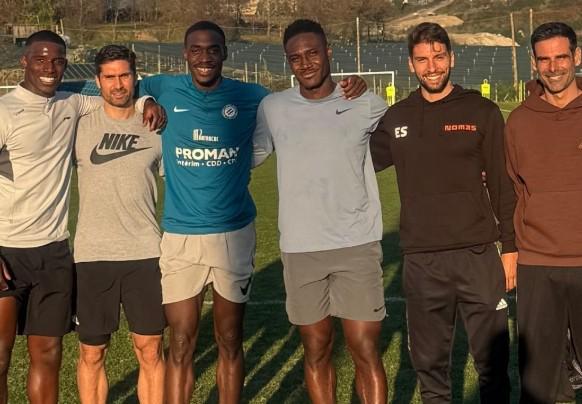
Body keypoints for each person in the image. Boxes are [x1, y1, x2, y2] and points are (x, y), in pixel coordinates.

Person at [138, 20, 366, 403]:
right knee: (179, 341)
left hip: (234, 234)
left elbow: (298, 104)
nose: (205, 57)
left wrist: (353, 87)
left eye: (213, 49)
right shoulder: (164, 87)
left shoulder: (253, 96)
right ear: (185, 54)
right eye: (197, 50)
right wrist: (144, 101)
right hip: (180, 234)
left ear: (225, 53)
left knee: (229, 338)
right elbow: (128, 85)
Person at [0, 31, 164, 404]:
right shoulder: (5, 111)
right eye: (40, 59)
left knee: (48, 355)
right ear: (24, 61)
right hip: (7, 249)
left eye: (58, 60)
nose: (49, 67)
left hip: (55, 251)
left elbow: (121, 97)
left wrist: (148, 100)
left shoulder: (72, 103)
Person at [369, 22, 516, 403]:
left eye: (438, 57)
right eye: (422, 59)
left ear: (451, 57)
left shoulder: (481, 111)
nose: (431, 67)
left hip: (477, 255)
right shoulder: (397, 118)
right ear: (410, 65)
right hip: (422, 261)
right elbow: (356, 160)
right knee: (431, 368)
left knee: (493, 365)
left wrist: (511, 249)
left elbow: (502, 184)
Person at [253, 19, 388, 403]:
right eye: (295, 58)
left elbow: (407, 142)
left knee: (364, 348)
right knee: (316, 348)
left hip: (357, 243)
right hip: (301, 248)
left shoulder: (365, 102)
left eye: (312, 53)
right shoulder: (273, 108)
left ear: (328, 52)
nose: (305, 63)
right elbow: (250, 155)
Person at [74, 45, 165, 404]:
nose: (117, 84)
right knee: (92, 353)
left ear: (135, 76)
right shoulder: (80, 124)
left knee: (150, 349)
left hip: (145, 252)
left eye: (124, 75)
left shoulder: (156, 125)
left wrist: (148, 101)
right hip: (93, 255)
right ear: (97, 80)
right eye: (109, 77)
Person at [504, 21, 582, 403]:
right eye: (544, 60)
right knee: (538, 387)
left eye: (561, 57)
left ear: (577, 57)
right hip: (537, 264)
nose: (553, 68)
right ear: (534, 63)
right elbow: (513, 189)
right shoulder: (519, 121)